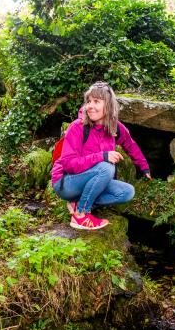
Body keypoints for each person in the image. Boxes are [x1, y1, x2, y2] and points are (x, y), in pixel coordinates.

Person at [51, 81, 151, 230]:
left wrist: (144, 168)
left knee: (127, 192)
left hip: (91, 179)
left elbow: (130, 145)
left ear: (109, 105)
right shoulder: (77, 127)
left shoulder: (115, 127)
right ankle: (81, 215)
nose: (90, 106)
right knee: (106, 167)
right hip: (66, 182)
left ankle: (80, 202)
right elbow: (68, 164)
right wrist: (102, 156)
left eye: (96, 101)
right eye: (88, 101)